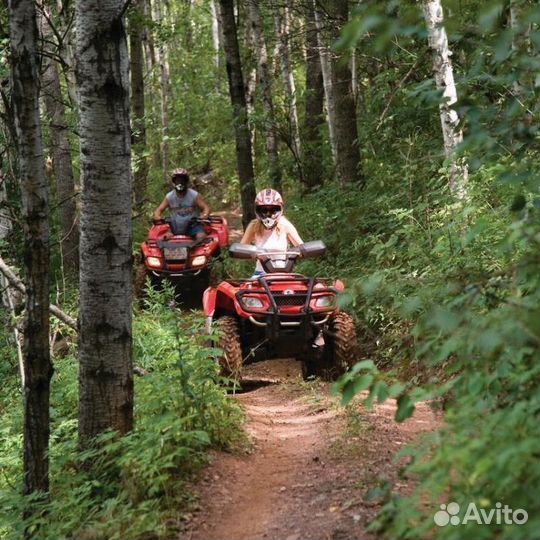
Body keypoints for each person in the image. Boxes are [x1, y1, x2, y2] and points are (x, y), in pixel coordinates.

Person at [241, 188, 303, 277]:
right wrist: (253, 252)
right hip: (260, 275)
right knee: (245, 290)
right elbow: (241, 247)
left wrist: (296, 253)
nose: (268, 214)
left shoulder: (285, 225)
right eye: (264, 210)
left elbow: (302, 248)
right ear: (257, 210)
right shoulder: (253, 226)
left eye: (273, 210)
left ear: (280, 209)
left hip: (284, 275)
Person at [153, 168, 210, 241]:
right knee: (162, 240)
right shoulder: (169, 196)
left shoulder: (194, 195)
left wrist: (204, 216)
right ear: (174, 182)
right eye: (178, 180)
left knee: (201, 237)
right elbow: (159, 210)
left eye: (182, 180)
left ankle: (199, 252)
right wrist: (157, 216)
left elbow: (206, 208)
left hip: (193, 226)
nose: (180, 182)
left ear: (186, 181)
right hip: (175, 227)